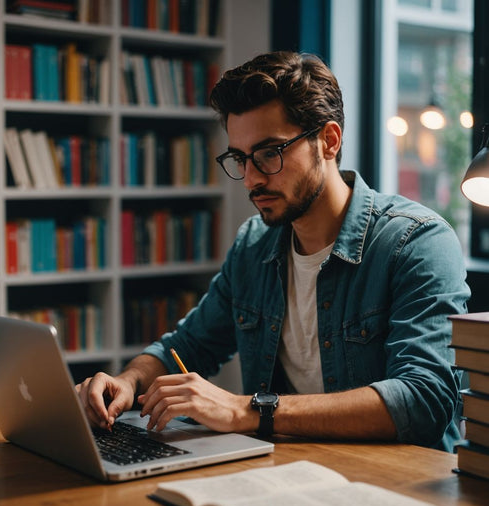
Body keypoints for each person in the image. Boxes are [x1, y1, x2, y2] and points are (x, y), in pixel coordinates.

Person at [77, 51, 470, 451]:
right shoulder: (254, 245)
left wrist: (248, 410)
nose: (251, 179)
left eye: (269, 154)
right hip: (290, 477)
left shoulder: (416, 242)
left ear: (329, 141)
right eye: (239, 158)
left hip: (401, 488)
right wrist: (128, 380)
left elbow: (425, 400)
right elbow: (189, 344)